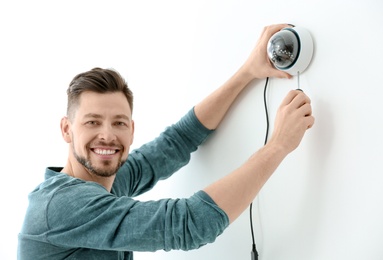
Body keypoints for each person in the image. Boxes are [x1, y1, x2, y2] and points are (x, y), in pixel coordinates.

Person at [17, 23, 314, 260]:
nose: (107, 134)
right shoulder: (60, 205)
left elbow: (178, 140)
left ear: (131, 130)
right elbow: (189, 223)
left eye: (118, 122)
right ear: (67, 130)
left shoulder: (105, 181)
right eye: (92, 122)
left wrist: (248, 71)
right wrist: (278, 145)